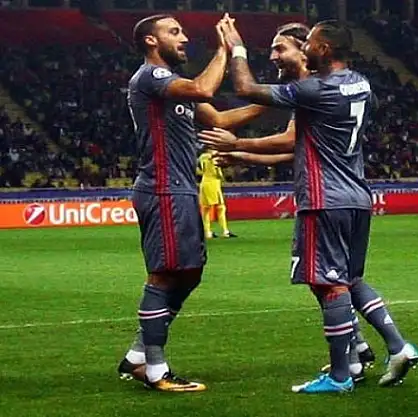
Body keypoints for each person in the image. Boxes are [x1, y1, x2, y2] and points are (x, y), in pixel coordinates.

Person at [200, 19, 418, 393]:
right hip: (356, 196)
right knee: (348, 280)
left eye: (308, 44)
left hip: (323, 198)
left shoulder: (314, 89)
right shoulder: (361, 84)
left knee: (328, 283)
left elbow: (246, 89)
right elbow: (304, 143)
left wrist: (236, 45)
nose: (303, 50)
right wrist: (242, 153)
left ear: (323, 48)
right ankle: (388, 348)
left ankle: (341, 376)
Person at [117, 13, 265, 393]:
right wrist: (225, 49)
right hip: (163, 188)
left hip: (181, 189)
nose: (183, 38)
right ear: (151, 41)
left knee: (190, 272)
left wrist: (279, 99)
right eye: (174, 32)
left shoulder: (175, 89)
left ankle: (138, 354)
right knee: (164, 274)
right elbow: (203, 88)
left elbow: (219, 119)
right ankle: (155, 370)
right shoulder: (151, 77)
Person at [197, 149, 236, 239]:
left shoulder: (202, 157)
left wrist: (204, 173)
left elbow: (198, 170)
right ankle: (225, 231)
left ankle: (207, 232)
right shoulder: (214, 158)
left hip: (204, 182)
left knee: (206, 209)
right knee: (220, 207)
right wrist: (222, 176)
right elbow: (218, 172)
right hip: (213, 183)